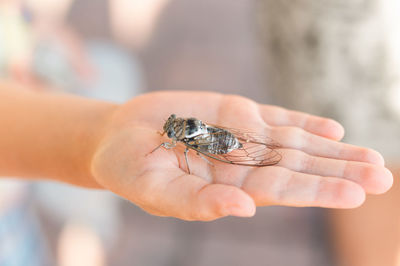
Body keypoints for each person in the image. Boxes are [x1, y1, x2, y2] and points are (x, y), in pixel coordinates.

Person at [0, 80, 393, 221]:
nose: (168, 132)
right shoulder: (175, 135)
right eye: (170, 131)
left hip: (214, 139)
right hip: (210, 134)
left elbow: (188, 150)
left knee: (221, 147)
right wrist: (102, 133)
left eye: (172, 129)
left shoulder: (181, 140)